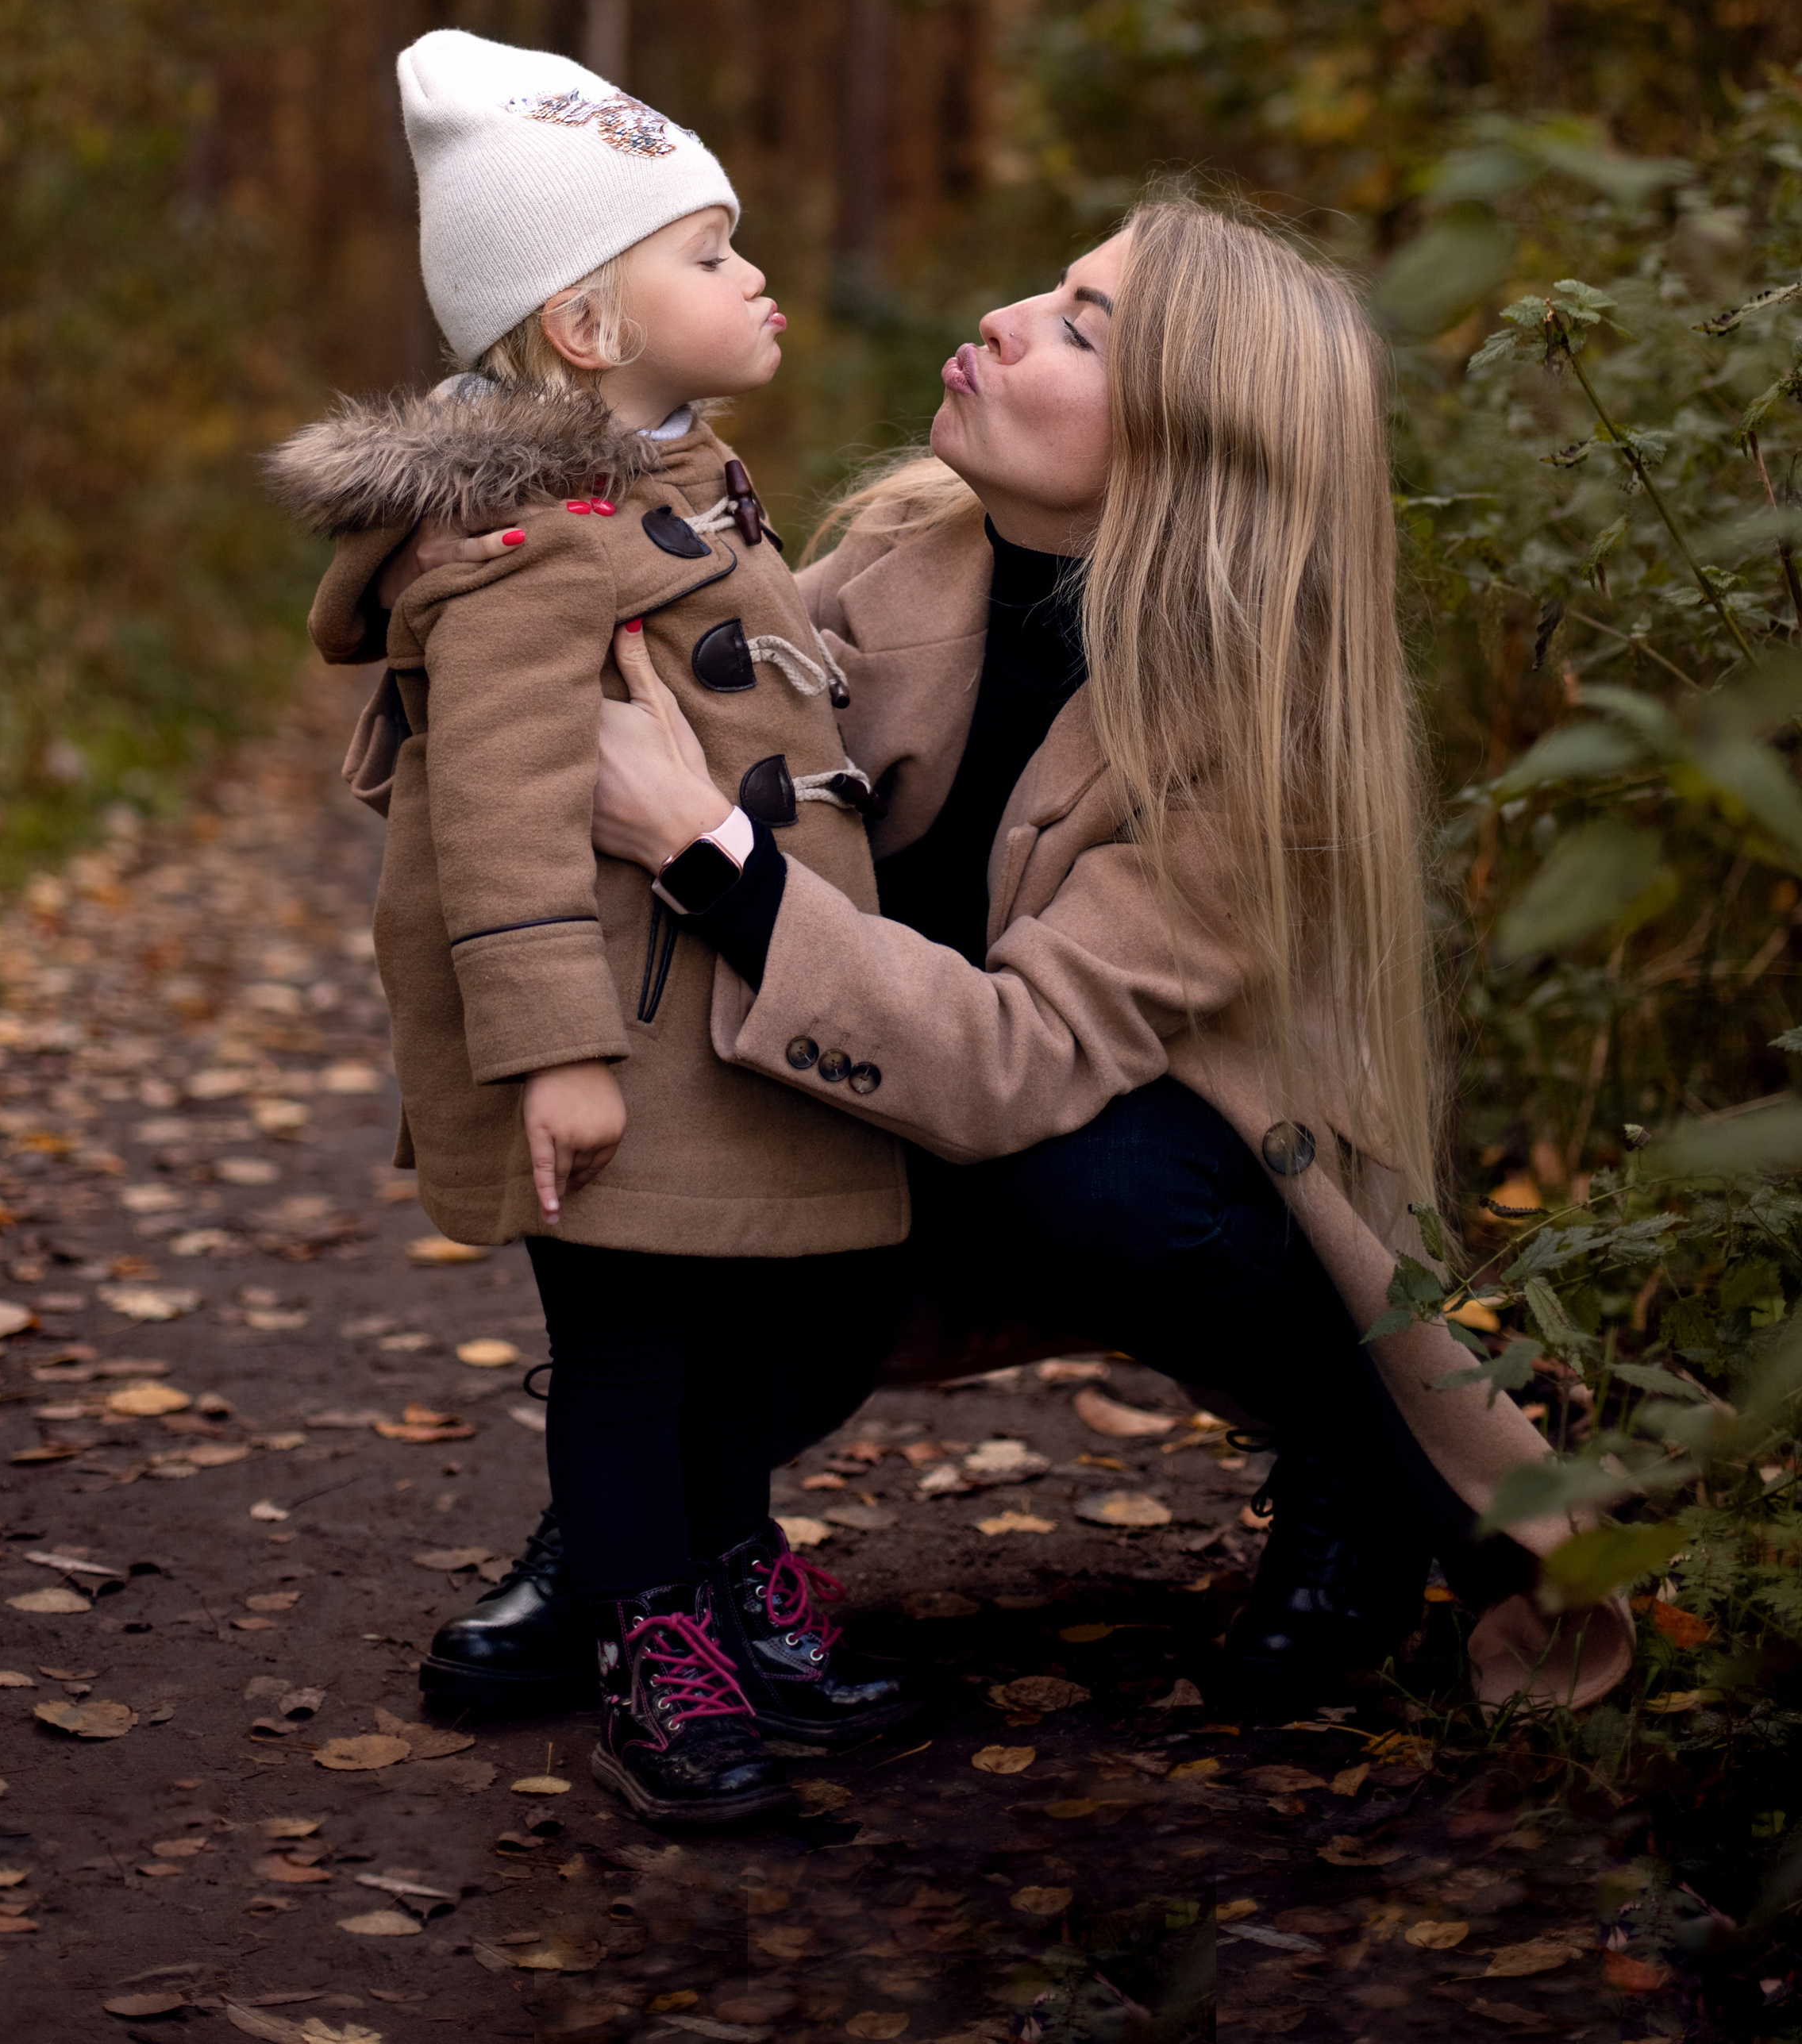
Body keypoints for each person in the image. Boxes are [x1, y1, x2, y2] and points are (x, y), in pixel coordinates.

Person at [426, 190, 1635, 1719]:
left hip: (1110, 1166)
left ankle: (1350, 1467)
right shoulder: (892, 560)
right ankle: (636, 1541)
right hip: (878, 1115)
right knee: (711, 1112)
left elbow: (1020, 1062)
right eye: (1046, 289)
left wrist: (704, 848)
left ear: (1196, 442)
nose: (1005, 316)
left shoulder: (1263, 740)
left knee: (1102, 1181)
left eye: (1081, 324)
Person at [268, 29, 910, 1830]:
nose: (753, 274)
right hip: (616, 1042)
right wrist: (551, 1051)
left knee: (742, 1342)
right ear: (584, 328)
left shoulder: (678, 474)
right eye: (707, 255)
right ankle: (650, 1644)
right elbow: (491, 805)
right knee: (631, 1354)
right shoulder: (531, 532)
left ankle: (725, 1574)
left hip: (711, 1010)